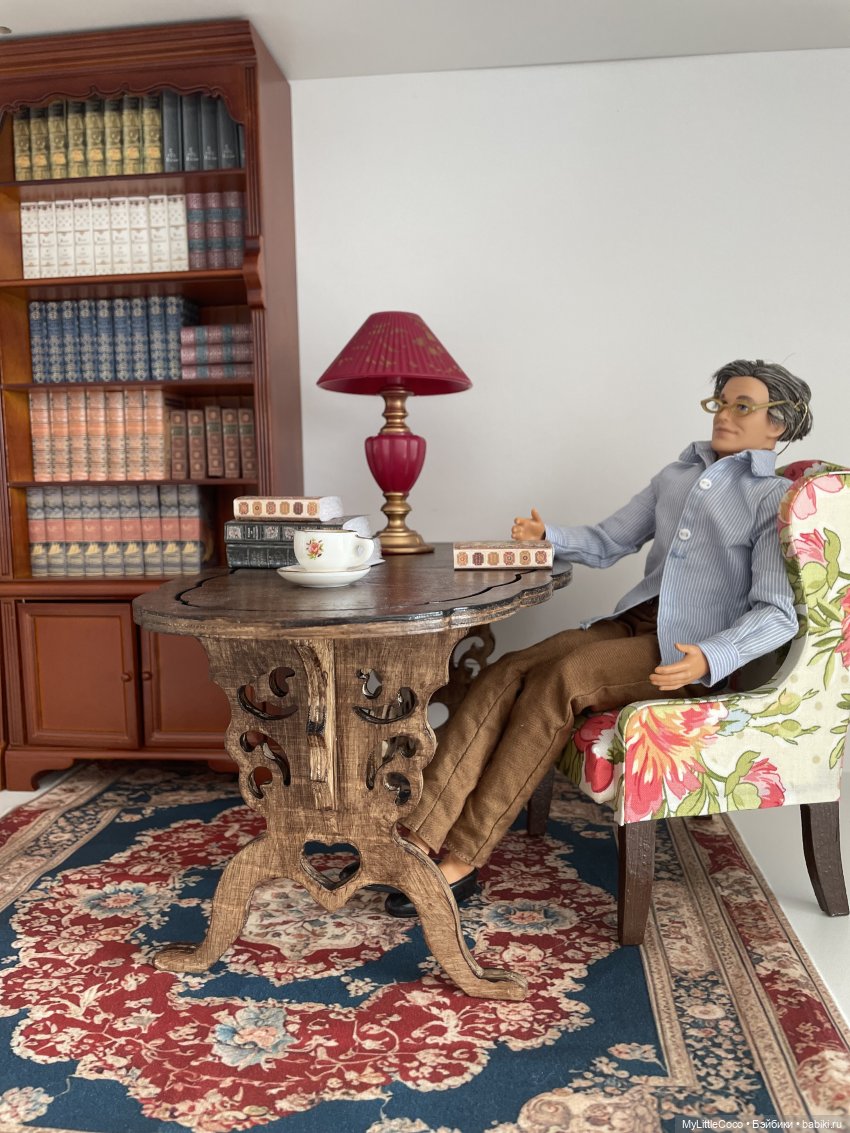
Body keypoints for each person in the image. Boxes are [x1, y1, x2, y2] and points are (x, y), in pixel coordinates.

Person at [383, 358, 813, 917]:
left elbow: (777, 612)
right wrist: (549, 536)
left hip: (683, 649)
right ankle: (419, 836)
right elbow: (611, 540)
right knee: (508, 669)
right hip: (633, 622)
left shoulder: (772, 499)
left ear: (778, 425)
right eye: (721, 402)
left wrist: (712, 655)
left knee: (562, 680)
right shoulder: (677, 476)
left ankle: (464, 857)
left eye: (743, 406)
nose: (725, 415)